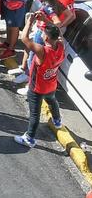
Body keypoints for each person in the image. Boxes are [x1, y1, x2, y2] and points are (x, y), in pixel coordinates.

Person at [14, 15, 65, 148]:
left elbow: (24, 38)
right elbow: (57, 32)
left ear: (46, 38)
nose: (41, 33)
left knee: (34, 114)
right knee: (52, 101)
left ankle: (29, 138)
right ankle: (57, 120)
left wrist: (29, 22)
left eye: (43, 33)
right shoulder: (60, 46)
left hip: (37, 88)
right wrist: (45, 20)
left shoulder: (42, 51)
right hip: (51, 85)